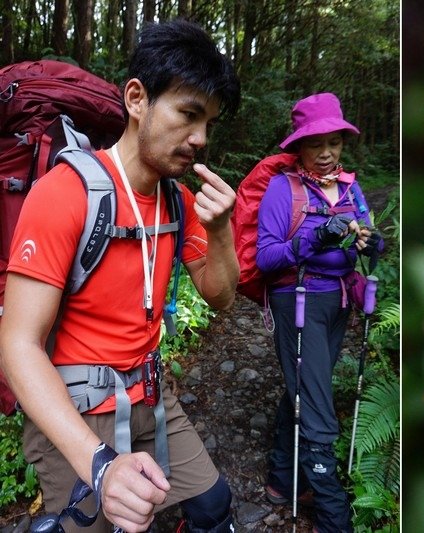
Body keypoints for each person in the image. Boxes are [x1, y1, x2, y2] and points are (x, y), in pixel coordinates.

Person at [0, 20, 241, 533]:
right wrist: (102, 465)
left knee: (212, 504)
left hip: (151, 398)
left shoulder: (181, 201)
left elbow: (220, 298)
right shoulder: (66, 194)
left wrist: (220, 231)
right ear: (137, 98)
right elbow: (17, 344)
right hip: (75, 410)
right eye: (188, 114)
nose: (199, 138)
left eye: (209, 123)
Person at [255, 92, 383, 533]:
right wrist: (315, 239)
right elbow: (266, 258)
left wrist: (373, 245)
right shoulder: (283, 189)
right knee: (314, 399)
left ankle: (280, 479)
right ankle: (333, 515)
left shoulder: (350, 187)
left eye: (335, 142)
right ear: (299, 148)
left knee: (306, 387)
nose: (327, 153)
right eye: (317, 144)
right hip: (298, 302)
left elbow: (368, 235)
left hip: (338, 302)